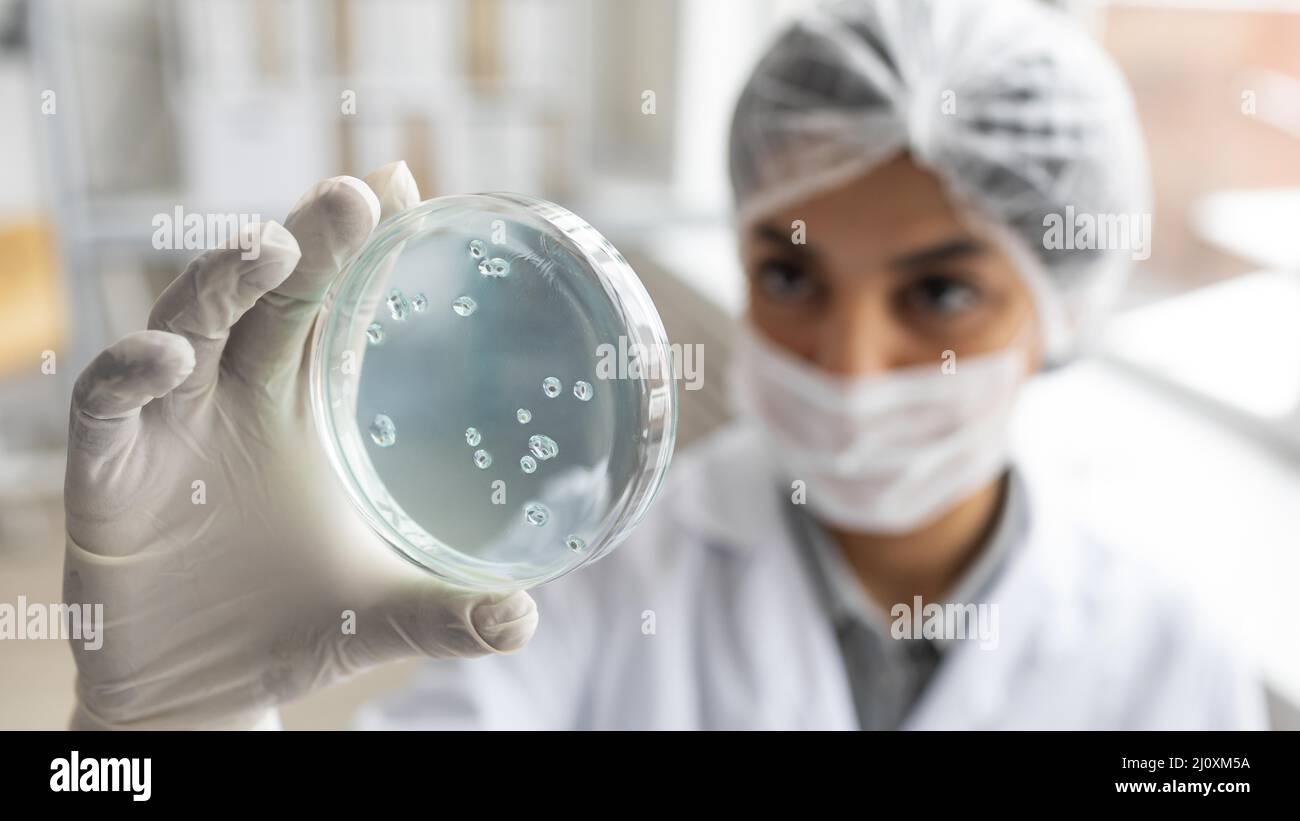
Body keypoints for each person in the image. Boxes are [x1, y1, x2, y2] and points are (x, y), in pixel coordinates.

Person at [64, 0, 1265, 730]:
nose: (848, 359)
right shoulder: (574, 574)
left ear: (1062, 309)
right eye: (791, 276)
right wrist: (168, 722)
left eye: (940, 291)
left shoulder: (1173, 661)